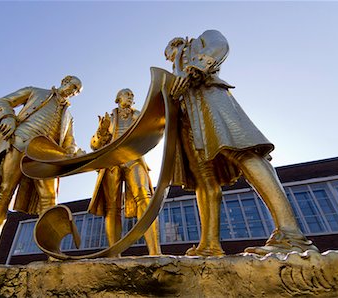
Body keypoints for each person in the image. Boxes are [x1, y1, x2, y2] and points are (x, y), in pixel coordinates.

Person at [164, 30, 318, 256]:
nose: (169, 56)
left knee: (244, 153)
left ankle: (291, 234)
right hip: (186, 118)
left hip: (209, 99)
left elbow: (219, 44)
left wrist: (194, 69)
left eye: (170, 51)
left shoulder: (201, 41)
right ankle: (210, 245)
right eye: (168, 57)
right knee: (203, 179)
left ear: (177, 43)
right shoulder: (173, 70)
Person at [0, 75, 83, 265]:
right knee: (3, 193)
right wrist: (7, 117)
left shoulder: (69, 117)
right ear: (65, 81)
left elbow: (70, 141)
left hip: (46, 157)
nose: (74, 92)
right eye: (74, 86)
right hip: (20, 144)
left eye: (77, 91)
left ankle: (53, 255)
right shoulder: (35, 91)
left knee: (50, 201)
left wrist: (72, 151)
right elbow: (3, 101)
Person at [88, 88, 161, 256]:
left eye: (132, 95)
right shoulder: (109, 118)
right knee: (112, 207)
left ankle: (155, 252)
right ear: (117, 98)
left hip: (134, 159)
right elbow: (94, 145)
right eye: (127, 94)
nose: (131, 97)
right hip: (111, 161)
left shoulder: (140, 114)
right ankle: (115, 255)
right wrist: (101, 131)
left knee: (145, 198)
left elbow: (153, 131)